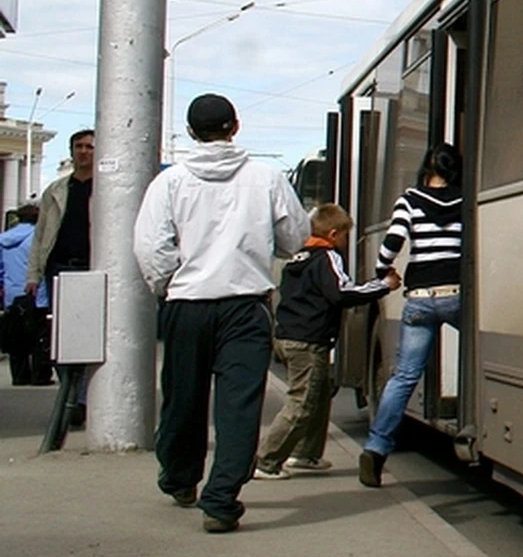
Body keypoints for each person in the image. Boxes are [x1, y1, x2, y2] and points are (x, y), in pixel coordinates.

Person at [133, 93, 310, 533]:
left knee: (183, 398)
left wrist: (169, 283)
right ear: (235, 127)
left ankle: (179, 477)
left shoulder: (169, 183)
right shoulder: (266, 178)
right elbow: (294, 236)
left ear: (192, 133)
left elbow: (150, 247)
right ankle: (222, 498)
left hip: (187, 305)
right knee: (239, 405)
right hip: (245, 307)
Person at [254, 203, 400, 480]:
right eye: (345, 236)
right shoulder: (327, 257)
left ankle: (306, 453)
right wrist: (383, 286)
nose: (345, 242)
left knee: (320, 395)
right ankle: (267, 460)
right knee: (303, 402)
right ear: (334, 234)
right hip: (308, 341)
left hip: (288, 336)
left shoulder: (298, 258)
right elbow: (341, 293)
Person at [359, 142, 464, 488]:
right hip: (456, 295)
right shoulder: (465, 200)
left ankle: (375, 450)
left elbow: (392, 241)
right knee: (483, 354)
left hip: (419, 298)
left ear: (427, 169)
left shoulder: (410, 199)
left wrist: (382, 271)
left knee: (404, 376)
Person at [25, 129, 95, 424]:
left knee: (90, 338)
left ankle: (80, 399)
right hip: (60, 269)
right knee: (61, 340)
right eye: (78, 146)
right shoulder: (56, 190)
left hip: (92, 270)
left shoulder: (106, 189)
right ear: (71, 151)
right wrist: (34, 274)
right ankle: (69, 394)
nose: (84, 152)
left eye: (90, 147)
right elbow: (41, 236)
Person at [0, 204, 53, 385]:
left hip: (12, 294)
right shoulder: (38, 239)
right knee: (40, 335)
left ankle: (19, 376)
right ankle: (40, 375)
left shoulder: (3, 239)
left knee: (16, 335)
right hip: (38, 294)